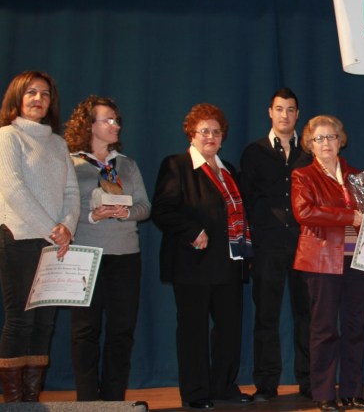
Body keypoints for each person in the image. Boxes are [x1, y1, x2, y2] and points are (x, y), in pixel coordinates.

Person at [152, 103, 253, 410]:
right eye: (204, 131)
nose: (210, 136)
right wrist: (193, 230)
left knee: (228, 330)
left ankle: (223, 386)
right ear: (191, 134)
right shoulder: (177, 165)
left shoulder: (228, 169)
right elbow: (163, 210)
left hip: (229, 263)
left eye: (216, 131)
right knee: (193, 331)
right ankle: (196, 392)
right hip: (193, 264)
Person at [64, 96, 151, 401]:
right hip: (86, 256)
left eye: (117, 120)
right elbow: (64, 209)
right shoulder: (71, 163)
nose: (116, 125)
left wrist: (125, 212)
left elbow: (145, 207)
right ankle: (88, 400)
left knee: (121, 330)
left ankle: (114, 399)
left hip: (125, 256)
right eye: (108, 120)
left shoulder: (126, 164)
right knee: (85, 330)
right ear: (89, 125)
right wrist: (93, 216)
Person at [0, 71, 79, 403]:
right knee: (21, 320)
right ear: (17, 98)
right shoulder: (8, 136)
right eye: (31, 92)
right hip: (19, 238)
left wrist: (67, 227)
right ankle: (13, 403)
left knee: (45, 323)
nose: (38, 99)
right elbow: (13, 189)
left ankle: (31, 400)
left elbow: (72, 192)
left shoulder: (58, 143)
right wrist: (53, 229)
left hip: (54, 242)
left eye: (45, 94)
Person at [291, 115, 364, 411]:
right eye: (319, 138)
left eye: (331, 137)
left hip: (358, 259)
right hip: (322, 262)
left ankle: (353, 391)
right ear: (310, 144)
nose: (326, 143)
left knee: (355, 328)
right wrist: (349, 217)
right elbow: (305, 212)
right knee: (325, 329)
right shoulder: (303, 175)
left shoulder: (358, 176)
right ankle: (324, 393)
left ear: (340, 141)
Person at [240, 88, 312, 401]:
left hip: (304, 246)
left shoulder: (308, 152)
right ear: (270, 112)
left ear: (298, 115)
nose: (285, 115)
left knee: (306, 316)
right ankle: (266, 384)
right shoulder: (254, 152)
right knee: (266, 317)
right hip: (267, 247)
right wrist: (249, 246)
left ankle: (309, 381)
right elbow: (245, 200)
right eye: (280, 109)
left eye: (291, 109)